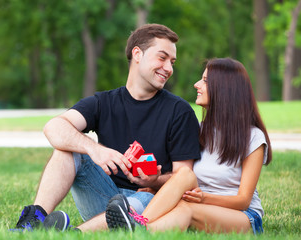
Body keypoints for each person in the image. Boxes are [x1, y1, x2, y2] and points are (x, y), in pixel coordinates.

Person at [11, 23, 201, 232]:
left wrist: (154, 180)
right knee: (68, 149)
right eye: (162, 58)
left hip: (148, 203)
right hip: (102, 195)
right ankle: (33, 221)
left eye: (172, 62)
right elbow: (53, 127)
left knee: (147, 195)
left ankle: (75, 234)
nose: (169, 68)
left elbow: (184, 179)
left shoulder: (179, 111)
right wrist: (94, 149)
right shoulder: (104, 101)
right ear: (137, 54)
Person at [106, 57, 272, 235]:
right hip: (198, 206)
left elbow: (243, 200)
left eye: (205, 81)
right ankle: (139, 226)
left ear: (224, 89)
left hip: (242, 216)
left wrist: (203, 198)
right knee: (184, 174)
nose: (196, 84)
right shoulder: (200, 131)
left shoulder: (253, 137)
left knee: (187, 209)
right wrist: (157, 188)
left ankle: (139, 230)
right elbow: (184, 180)